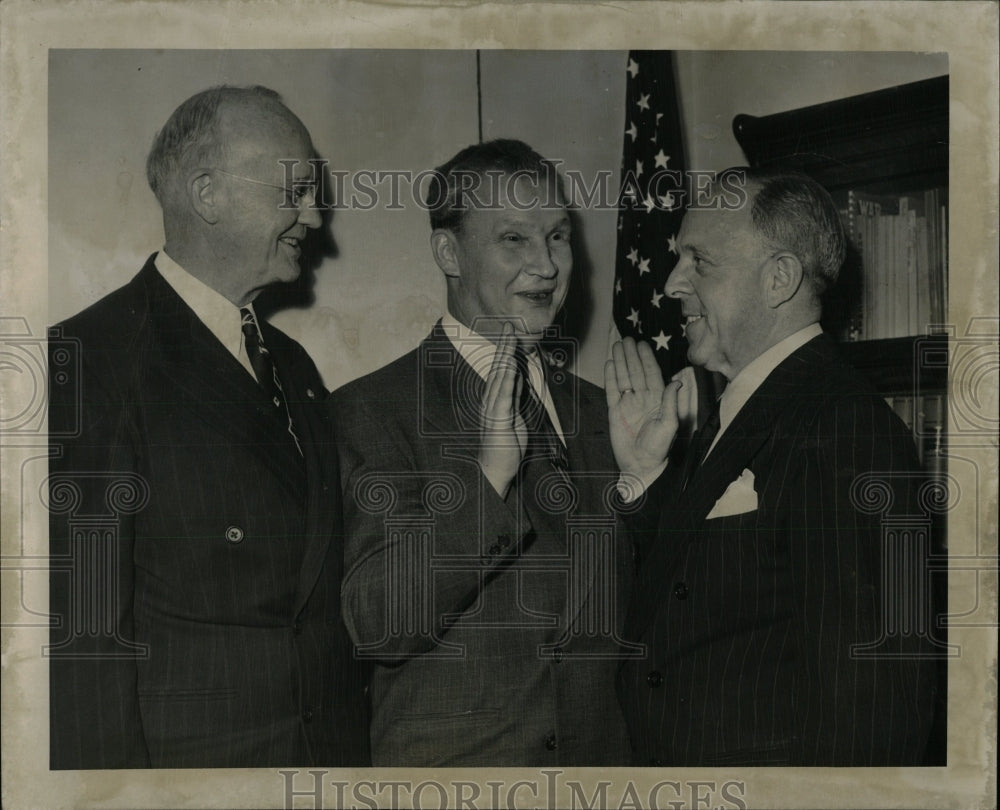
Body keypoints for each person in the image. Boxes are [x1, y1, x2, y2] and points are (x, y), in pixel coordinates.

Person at [47, 85, 368, 769]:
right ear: (207, 193)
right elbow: (83, 641)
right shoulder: (92, 360)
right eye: (296, 188)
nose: (314, 214)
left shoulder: (294, 364)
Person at [607, 168, 938, 766]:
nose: (674, 282)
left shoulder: (842, 427)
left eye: (699, 261)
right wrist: (644, 476)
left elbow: (871, 705)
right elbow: (700, 599)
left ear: (779, 278)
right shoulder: (741, 405)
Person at [330, 139, 633, 767]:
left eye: (557, 236)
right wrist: (489, 479)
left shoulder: (605, 412)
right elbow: (379, 623)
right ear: (449, 252)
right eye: (514, 239)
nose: (547, 267)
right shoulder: (373, 410)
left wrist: (648, 480)